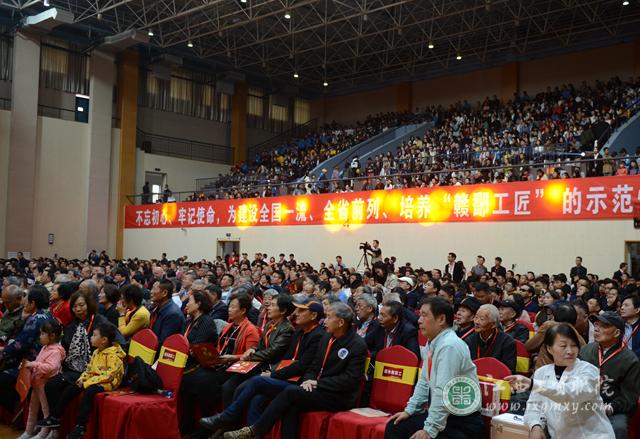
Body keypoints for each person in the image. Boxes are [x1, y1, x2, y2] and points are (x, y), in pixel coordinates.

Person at [222, 301, 367, 439]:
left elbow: (350, 379)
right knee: (291, 405)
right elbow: (314, 366)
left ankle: (255, 430)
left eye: (329, 317)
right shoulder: (327, 337)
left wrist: (317, 383)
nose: (325, 321)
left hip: (338, 395)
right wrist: (308, 380)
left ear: (340, 322)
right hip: (316, 387)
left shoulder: (357, 345)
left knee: (291, 392)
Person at [199, 297, 325, 435]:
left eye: (301, 311)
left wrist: (272, 374)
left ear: (313, 315)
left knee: (256, 381)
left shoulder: (315, 335)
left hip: (295, 380)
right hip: (280, 373)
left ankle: (227, 418)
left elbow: (301, 365)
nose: (296, 313)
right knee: (256, 398)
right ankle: (245, 432)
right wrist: (253, 351)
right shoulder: (297, 331)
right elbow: (284, 357)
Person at [385, 297, 484, 439]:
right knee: (396, 425)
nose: (419, 320)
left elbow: (442, 391)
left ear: (441, 319)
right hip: (445, 415)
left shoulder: (449, 345)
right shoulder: (433, 342)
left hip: (462, 421)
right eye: (420, 315)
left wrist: (430, 429)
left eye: (424, 315)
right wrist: (409, 410)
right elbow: (424, 381)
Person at [523, 323, 615, 439]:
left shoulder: (589, 370)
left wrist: (533, 384)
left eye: (574, 345)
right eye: (563, 346)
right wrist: (535, 425)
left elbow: (570, 393)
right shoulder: (542, 372)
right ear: (549, 348)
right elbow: (534, 406)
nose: (570, 351)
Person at [39, 322, 126, 439]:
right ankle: (55, 416)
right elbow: (89, 370)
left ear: (104, 340)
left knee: (89, 391)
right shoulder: (96, 352)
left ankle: (81, 426)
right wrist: (81, 379)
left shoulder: (113, 355)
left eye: (94, 335)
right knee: (73, 387)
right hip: (95, 379)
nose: (91, 337)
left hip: (109, 382)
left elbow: (109, 375)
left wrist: (87, 382)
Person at [181, 294, 260, 422]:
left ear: (243, 310)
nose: (229, 309)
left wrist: (232, 358)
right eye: (229, 306)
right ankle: (190, 422)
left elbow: (251, 356)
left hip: (235, 368)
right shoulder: (228, 326)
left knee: (204, 380)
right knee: (190, 377)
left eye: (233, 307)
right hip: (219, 364)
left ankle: (213, 420)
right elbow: (218, 348)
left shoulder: (251, 330)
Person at [221, 294, 295, 407]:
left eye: (273, 305)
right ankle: (226, 415)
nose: (268, 307)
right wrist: (252, 350)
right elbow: (260, 346)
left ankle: (231, 416)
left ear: (283, 310)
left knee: (241, 389)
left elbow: (272, 352)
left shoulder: (287, 329)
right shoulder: (270, 324)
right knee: (228, 385)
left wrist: (250, 356)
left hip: (269, 367)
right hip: (258, 364)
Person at [579, 311, 640, 439]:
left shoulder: (630, 360)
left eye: (604, 326)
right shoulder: (586, 350)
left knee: (619, 427)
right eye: (596, 324)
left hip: (612, 407)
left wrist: (610, 408)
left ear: (616, 333)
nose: (596, 329)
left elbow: (629, 397)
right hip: (583, 402)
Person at [0, 286, 51, 411]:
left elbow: (20, 344)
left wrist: (3, 352)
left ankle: (13, 409)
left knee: (3, 377)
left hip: (32, 362)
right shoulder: (47, 314)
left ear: (32, 303)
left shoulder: (35, 319)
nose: (23, 302)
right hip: (37, 358)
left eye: (25, 298)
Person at [179, 291, 219, 434]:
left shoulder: (207, 322)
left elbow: (195, 347)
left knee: (192, 380)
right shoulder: (187, 322)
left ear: (198, 304)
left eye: (189, 301)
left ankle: (201, 429)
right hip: (186, 362)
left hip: (201, 364)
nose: (186, 304)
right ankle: (185, 426)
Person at [19, 320, 66, 439]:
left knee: (46, 410)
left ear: (52, 336)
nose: (40, 336)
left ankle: (44, 433)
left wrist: (33, 365)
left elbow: (51, 368)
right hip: (36, 382)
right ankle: (28, 431)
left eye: (42, 334)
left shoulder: (56, 351)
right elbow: (39, 361)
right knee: (32, 408)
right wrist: (28, 365)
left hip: (44, 384)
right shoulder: (45, 347)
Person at [526, 303, 586, 370]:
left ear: (554, 317)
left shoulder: (549, 326)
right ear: (575, 320)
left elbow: (529, 346)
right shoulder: (579, 338)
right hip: (570, 373)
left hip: (545, 372)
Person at [465, 304, 516, 373]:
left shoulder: (507, 342)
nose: (476, 322)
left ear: (493, 324)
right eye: (476, 317)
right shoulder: (469, 340)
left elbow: (508, 371)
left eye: (482, 319)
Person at [149, 279, 185, 346]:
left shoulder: (173, 314)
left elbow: (163, 342)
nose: (151, 291)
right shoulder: (156, 307)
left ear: (164, 293)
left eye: (154, 289)